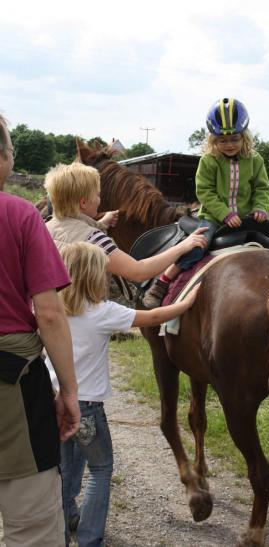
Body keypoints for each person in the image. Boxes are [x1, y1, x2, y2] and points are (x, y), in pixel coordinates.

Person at [45, 241, 201, 547]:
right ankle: (90, 539)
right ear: (95, 278)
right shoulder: (104, 312)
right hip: (87, 409)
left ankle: (60, 536)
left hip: (54, 402)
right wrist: (186, 303)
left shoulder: (47, 310)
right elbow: (155, 318)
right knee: (101, 470)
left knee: (61, 473)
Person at [0, 114, 80, 546]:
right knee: (31, 526)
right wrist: (68, 391)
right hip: (12, 384)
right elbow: (49, 313)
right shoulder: (20, 215)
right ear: (3, 159)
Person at [142, 97, 269, 308]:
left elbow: (262, 188)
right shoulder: (209, 161)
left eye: (234, 139)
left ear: (244, 137)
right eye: (222, 140)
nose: (229, 144)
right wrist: (224, 214)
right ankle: (164, 280)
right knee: (198, 245)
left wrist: (260, 208)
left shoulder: (255, 160)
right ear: (213, 140)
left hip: (247, 217)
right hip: (214, 217)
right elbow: (204, 191)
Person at [44, 162, 208, 281]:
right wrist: (182, 247)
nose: (100, 200)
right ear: (83, 203)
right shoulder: (95, 241)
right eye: (97, 195)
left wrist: (101, 225)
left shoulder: (45, 229)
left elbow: (71, 233)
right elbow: (138, 272)